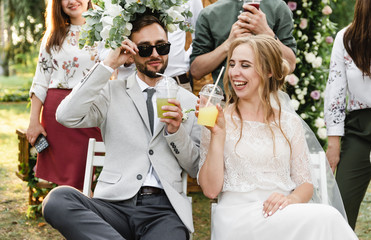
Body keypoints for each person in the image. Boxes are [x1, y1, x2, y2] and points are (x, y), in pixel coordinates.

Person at [42, 14, 201, 240]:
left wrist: (177, 133)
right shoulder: (110, 92)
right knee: (57, 200)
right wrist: (108, 65)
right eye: (145, 49)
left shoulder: (189, 102)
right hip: (113, 205)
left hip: (163, 211)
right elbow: (66, 116)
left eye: (161, 46)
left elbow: (197, 168)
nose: (155, 54)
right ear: (132, 51)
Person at [197, 35, 358, 239]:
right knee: (328, 218)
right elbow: (210, 191)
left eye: (245, 65)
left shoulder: (289, 123)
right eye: (232, 64)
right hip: (237, 218)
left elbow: (305, 184)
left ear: (268, 71)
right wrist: (217, 134)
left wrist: (289, 200)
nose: (234, 73)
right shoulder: (216, 119)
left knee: (328, 218)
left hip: (283, 212)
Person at [26, 0, 102, 190]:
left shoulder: (105, 31)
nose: (72, 1)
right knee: (65, 182)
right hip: (57, 114)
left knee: (88, 175)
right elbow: (41, 80)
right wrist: (34, 121)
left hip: (92, 111)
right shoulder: (53, 36)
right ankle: (66, 215)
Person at [324, 0, 371, 230]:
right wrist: (334, 142)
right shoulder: (345, 39)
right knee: (340, 208)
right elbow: (335, 90)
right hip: (359, 129)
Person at [190, 0, 297, 90]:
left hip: (267, 103)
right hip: (224, 104)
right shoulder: (209, 13)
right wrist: (227, 45)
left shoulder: (278, 7)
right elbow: (196, 71)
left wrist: (266, 32)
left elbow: (290, 65)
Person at [111, 0, 203, 92]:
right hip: (128, 88)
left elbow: (201, 33)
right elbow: (104, 50)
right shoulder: (113, 5)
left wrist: (186, 59)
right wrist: (127, 57)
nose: (155, 55)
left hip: (176, 83)